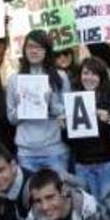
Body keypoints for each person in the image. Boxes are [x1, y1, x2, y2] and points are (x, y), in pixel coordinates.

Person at [6, 29, 71, 174]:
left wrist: (50, 103)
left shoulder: (60, 76)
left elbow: (68, 112)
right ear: (24, 50)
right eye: (30, 47)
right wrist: (24, 106)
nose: (34, 51)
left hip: (55, 150)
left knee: (58, 193)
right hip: (26, 152)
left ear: (47, 51)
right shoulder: (14, 79)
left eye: (39, 47)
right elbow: (11, 118)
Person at [65, 57, 110, 200]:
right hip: (83, 165)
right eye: (85, 73)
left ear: (101, 77)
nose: (89, 78)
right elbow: (70, 141)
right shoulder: (73, 100)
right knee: (88, 209)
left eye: (94, 74)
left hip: (109, 164)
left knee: (109, 207)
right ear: (80, 76)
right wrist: (63, 128)